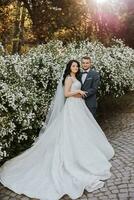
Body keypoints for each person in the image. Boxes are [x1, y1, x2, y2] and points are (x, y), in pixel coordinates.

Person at [0, 59, 115, 200]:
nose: (76, 67)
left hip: (79, 106)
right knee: (70, 132)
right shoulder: (68, 78)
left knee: (81, 133)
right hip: (72, 107)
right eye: (73, 65)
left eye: (77, 66)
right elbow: (66, 94)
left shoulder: (76, 77)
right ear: (69, 67)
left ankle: (84, 154)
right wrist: (78, 91)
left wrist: (79, 92)